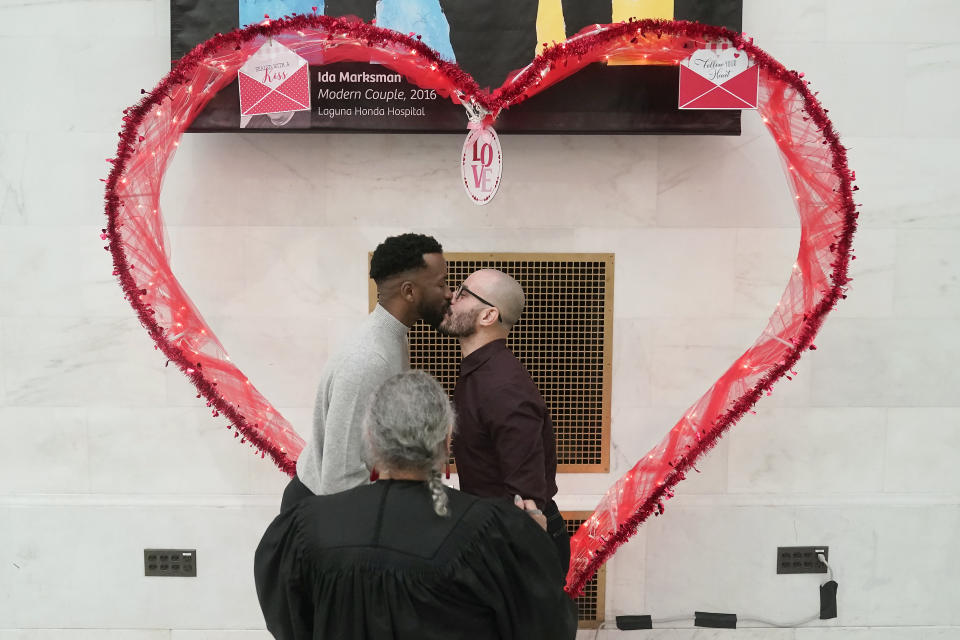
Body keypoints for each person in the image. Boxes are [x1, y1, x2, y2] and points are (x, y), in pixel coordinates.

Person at [255, 371, 579, 640]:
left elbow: (287, 623)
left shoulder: (303, 528)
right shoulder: (495, 533)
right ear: (447, 438)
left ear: (369, 436)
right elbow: (549, 629)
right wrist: (537, 550)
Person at [283, 233, 452, 511]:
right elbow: (341, 480)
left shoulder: (393, 338)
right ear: (409, 292)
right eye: (441, 283)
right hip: (318, 511)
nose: (448, 293)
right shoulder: (369, 359)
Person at [438, 269, 570, 575]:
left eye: (462, 293)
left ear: (488, 316)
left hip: (517, 546)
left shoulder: (501, 387)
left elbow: (527, 502)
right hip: (499, 536)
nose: (450, 297)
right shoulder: (480, 373)